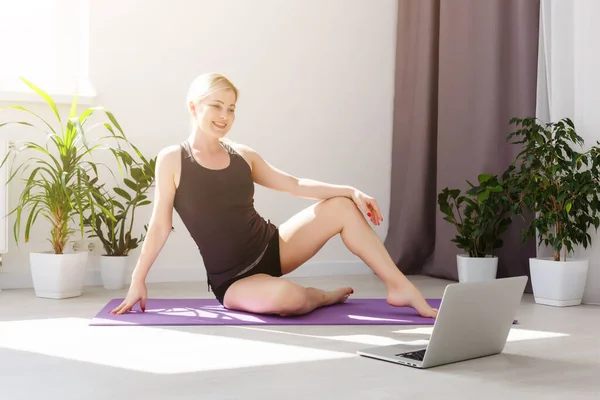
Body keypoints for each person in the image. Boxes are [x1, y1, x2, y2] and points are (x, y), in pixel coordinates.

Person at [110, 72, 438, 318]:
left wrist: (350, 191)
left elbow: (294, 184)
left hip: (274, 247)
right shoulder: (172, 159)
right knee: (290, 300)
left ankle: (399, 286)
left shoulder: (243, 155)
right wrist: (138, 280)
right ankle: (322, 297)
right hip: (233, 280)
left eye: (231, 108)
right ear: (194, 106)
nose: (224, 116)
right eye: (216, 106)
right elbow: (159, 226)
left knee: (341, 207)